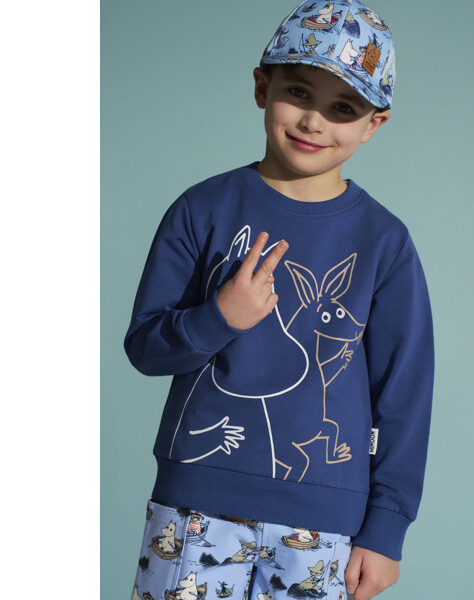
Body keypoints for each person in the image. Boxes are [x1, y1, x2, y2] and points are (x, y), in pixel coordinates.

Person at [124, 2, 434, 600]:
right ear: (263, 87)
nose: (314, 121)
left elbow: (404, 393)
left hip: (325, 524)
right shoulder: (201, 209)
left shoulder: (384, 242)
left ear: (373, 125)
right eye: (299, 92)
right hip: (193, 506)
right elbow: (145, 348)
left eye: (343, 108)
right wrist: (219, 318)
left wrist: (387, 528)